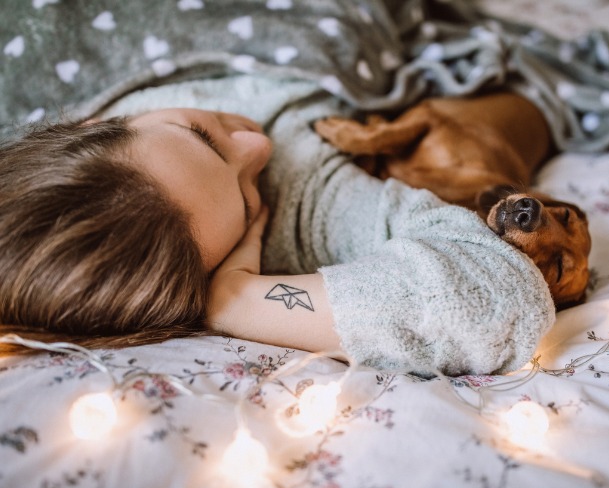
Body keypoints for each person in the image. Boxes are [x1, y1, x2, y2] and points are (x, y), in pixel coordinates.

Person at [0, 82, 555, 375]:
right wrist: (238, 298)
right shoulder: (309, 205)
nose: (257, 147)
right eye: (246, 199)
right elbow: (494, 301)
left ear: (93, 123)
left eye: (200, 133)